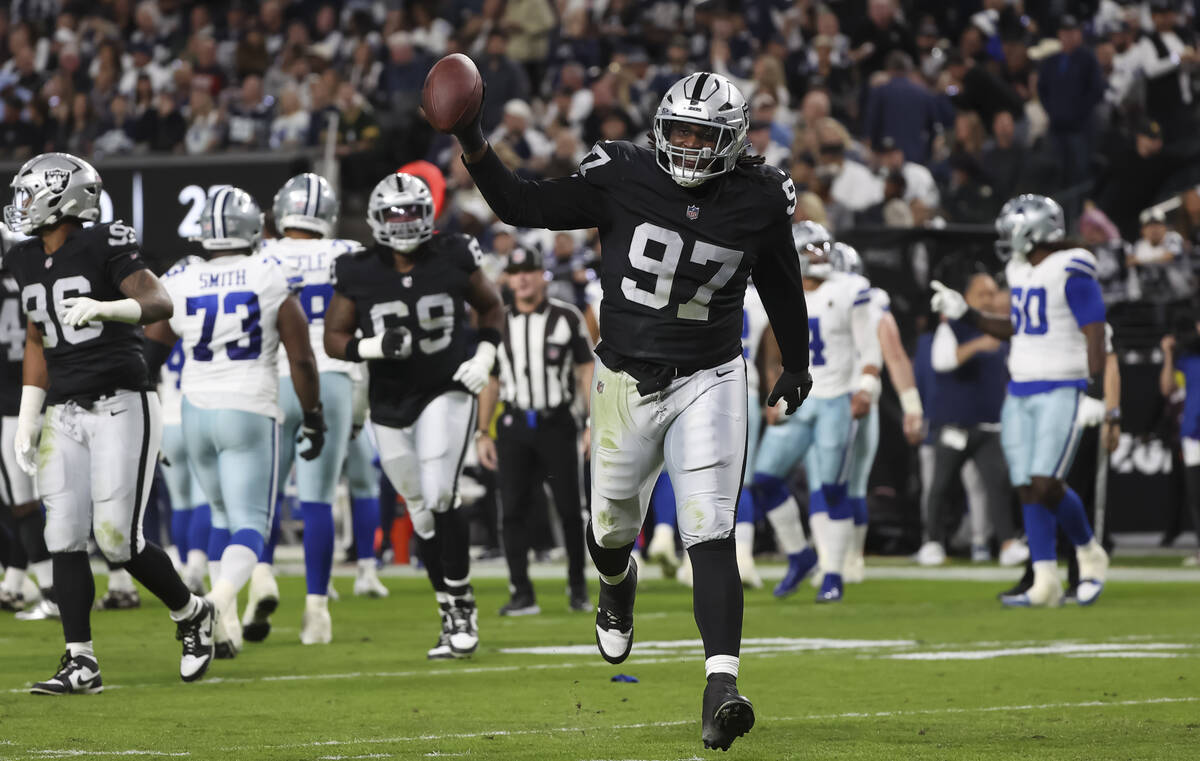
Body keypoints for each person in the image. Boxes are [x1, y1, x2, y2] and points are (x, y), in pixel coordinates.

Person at [431, 69, 813, 750]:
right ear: (661, 129)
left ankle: (721, 685)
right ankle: (616, 583)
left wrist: (797, 358)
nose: (691, 145)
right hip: (623, 380)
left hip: (711, 376)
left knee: (709, 530)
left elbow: (783, 282)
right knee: (608, 529)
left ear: (734, 140)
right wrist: (471, 136)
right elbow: (521, 204)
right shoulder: (623, 173)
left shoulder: (759, 197)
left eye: (705, 135)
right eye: (682, 131)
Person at [4, 152, 215, 694]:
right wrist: (29, 415)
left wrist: (105, 308)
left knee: (118, 540)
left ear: (61, 199)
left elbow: (157, 301)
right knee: (63, 536)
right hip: (64, 410)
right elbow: (36, 336)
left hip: (123, 402)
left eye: (30, 193)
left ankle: (191, 613)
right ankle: (80, 660)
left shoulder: (104, 242)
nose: (20, 203)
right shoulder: (26, 258)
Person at [324, 171, 505, 660]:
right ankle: (447, 607)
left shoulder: (453, 253)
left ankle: (463, 603)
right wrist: (371, 344)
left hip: (444, 390)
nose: (404, 222)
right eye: (394, 213)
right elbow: (333, 338)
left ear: (429, 215)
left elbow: (491, 308)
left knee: (442, 491)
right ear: (376, 219)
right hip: (389, 403)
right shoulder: (357, 269)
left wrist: (484, 358)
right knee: (421, 511)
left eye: (412, 212)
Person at [145, 187, 324, 658]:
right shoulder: (267, 273)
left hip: (195, 412)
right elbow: (301, 359)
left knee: (221, 516)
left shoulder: (182, 277)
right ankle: (215, 604)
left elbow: (150, 353)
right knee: (252, 524)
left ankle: (225, 630)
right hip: (248, 407)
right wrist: (314, 414)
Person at [931, 194, 1109, 607]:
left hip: (1061, 385)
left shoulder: (1072, 266)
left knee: (1048, 483)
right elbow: (1021, 327)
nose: (1006, 239)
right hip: (1021, 388)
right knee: (1027, 486)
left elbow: (1095, 329)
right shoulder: (1019, 268)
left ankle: (1088, 551)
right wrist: (966, 315)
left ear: (1034, 231)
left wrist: (1097, 391)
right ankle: (1044, 579)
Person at [249, 173, 376, 647]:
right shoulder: (349, 254)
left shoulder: (261, 253)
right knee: (319, 497)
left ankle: (261, 577)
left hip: (276, 378)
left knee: (263, 494)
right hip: (336, 378)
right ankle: (317, 612)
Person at [756, 227, 880, 603]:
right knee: (764, 480)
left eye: (823, 248)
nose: (821, 255)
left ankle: (834, 574)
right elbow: (775, 346)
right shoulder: (783, 289)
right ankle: (800, 554)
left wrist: (866, 386)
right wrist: (775, 393)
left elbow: (869, 346)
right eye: (812, 249)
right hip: (799, 399)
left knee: (833, 488)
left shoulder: (847, 290)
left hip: (835, 400)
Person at [476, 246, 593, 615]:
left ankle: (578, 589)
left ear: (542, 275)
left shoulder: (567, 317)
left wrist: (593, 422)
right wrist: (483, 431)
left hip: (556, 422)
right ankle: (521, 593)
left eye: (529, 270)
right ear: (507, 279)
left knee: (570, 509)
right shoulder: (498, 323)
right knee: (511, 510)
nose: (522, 278)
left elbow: (586, 370)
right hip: (512, 424)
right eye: (515, 272)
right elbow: (490, 380)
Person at [815, 242, 923, 582]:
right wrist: (911, 407)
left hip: (844, 399)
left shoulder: (863, 301)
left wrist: (912, 408)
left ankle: (835, 561)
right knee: (849, 486)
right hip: (838, 399)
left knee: (829, 483)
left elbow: (891, 354)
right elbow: (895, 355)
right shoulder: (851, 299)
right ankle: (846, 560)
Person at [922, 272, 1024, 566]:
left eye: (992, 294)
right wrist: (978, 345)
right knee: (941, 484)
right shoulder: (953, 325)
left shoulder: (1002, 329)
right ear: (967, 299)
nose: (989, 300)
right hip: (954, 424)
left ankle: (1006, 543)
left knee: (999, 485)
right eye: (982, 294)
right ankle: (932, 542)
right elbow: (941, 361)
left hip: (989, 426)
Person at [0, 259, 55, 618]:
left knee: (21, 504)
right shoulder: (34, 279)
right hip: (45, 398)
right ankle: (14, 584)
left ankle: (54, 592)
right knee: (29, 502)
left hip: (9, 407)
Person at [157, 321, 211, 594]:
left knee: (180, 503)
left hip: (167, 421)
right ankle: (195, 569)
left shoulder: (159, 328)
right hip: (196, 414)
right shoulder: (199, 326)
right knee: (204, 498)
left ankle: (185, 567)